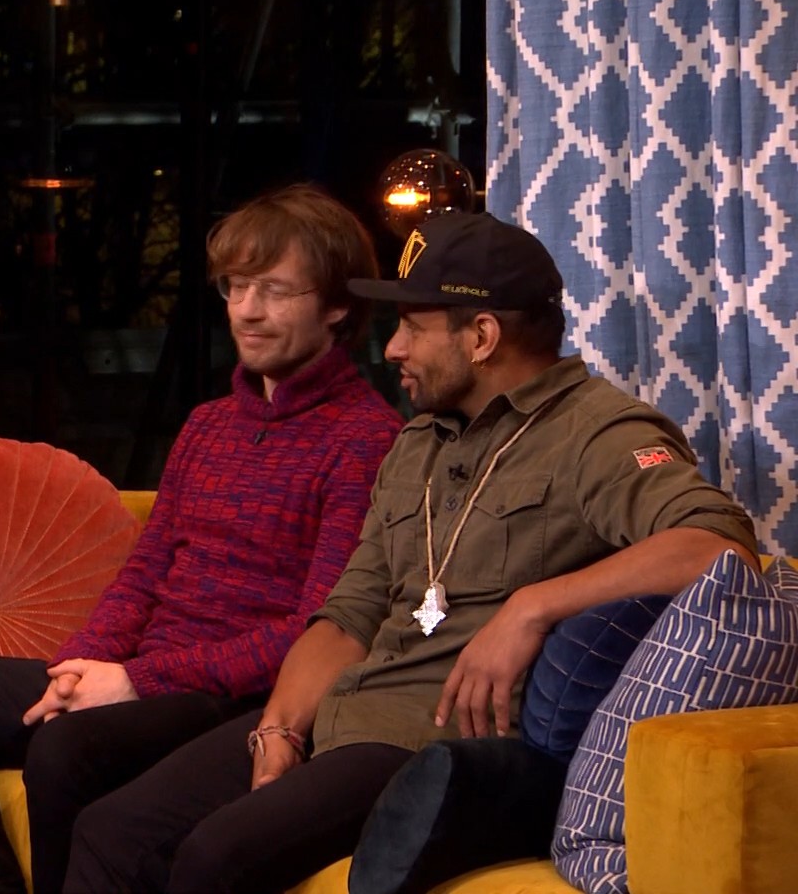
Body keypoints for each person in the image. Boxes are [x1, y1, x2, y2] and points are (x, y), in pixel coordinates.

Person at [60, 212, 760, 893]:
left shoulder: (596, 434)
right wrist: (279, 728)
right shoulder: (418, 443)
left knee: (215, 856)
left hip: (423, 739)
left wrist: (533, 607)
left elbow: (718, 544)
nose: (392, 349)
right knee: (111, 830)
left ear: (481, 336)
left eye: (413, 327)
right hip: (341, 713)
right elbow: (348, 614)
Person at [0, 184, 403, 894]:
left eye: (273, 290)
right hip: (147, 673)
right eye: (235, 287)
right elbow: (144, 573)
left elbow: (318, 629)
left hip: (235, 694)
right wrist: (79, 664)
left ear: (336, 307)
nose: (246, 310)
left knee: (66, 748)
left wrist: (138, 681)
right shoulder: (208, 425)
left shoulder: (365, 439)